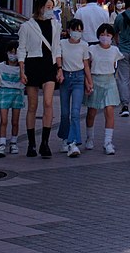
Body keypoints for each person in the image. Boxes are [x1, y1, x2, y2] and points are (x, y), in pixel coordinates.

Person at [19, 0, 60, 158]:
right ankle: (31, 143)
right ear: (40, 7)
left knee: (48, 102)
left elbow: (57, 48)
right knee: (32, 105)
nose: (50, 10)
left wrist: (59, 67)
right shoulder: (27, 26)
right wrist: (22, 70)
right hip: (32, 64)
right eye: (48, 7)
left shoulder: (55, 25)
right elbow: (21, 48)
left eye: (52, 7)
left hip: (49, 65)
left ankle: (45, 142)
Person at [56, 18, 92, 157]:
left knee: (75, 112)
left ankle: (74, 142)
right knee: (65, 113)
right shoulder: (62, 43)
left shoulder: (84, 45)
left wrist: (89, 82)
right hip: (65, 78)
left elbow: (86, 65)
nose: (77, 33)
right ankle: (65, 138)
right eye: (74, 30)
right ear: (68, 30)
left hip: (79, 78)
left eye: (79, 30)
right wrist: (59, 70)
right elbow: (59, 58)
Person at [85, 23, 122, 155]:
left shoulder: (115, 51)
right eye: (102, 34)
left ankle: (108, 142)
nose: (105, 37)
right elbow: (87, 66)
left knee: (110, 111)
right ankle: (90, 137)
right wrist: (88, 82)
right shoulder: (92, 49)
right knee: (92, 111)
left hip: (110, 80)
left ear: (112, 36)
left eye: (108, 35)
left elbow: (115, 65)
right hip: (95, 80)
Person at [0, 42, 23, 157]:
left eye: (15, 53)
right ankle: (2, 144)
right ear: (7, 53)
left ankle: (13, 142)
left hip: (17, 93)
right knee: (4, 120)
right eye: (11, 52)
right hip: (4, 92)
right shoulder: (0, 66)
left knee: (15, 121)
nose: (13, 55)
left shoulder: (22, 68)